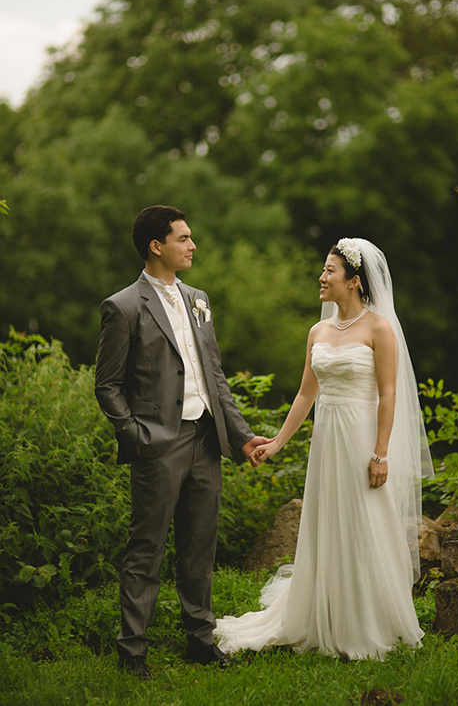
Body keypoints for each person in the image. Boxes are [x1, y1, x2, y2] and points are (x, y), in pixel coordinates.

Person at [215, 237, 434, 660]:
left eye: (329, 271)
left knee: (364, 520)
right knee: (327, 519)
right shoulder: (318, 330)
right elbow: (304, 394)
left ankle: (368, 619)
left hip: (362, 438)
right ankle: (323, 610)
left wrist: (380, 453)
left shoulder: (379, 328)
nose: (321, 277)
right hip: (327, 439)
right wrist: (277, 442)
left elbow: (388, 394)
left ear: (353, 281)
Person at [95, 205, 269, 680]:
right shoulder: (124, 306)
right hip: (158, 442)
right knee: (146, 549)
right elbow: (106, 385)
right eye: (184, 238)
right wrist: (136, 435)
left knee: (199, 545)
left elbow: (214, 375)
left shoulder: (198, 298)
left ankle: (199, 638)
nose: (192, 246)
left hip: (205, 438)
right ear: (157, 246)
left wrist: (241, 435)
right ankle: (132, 650)